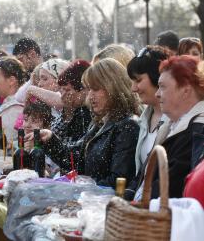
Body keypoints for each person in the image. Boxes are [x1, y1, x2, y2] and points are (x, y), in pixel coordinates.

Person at [133, 56, 204, 199]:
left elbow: (172, 189)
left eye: (163, 87)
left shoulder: (197, 131)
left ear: (185, 90)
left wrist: (135, 207)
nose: (157, 94)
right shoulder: (170, 125)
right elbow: (143, 176)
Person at [78, 58, 140, 188]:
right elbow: (77, 155)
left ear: (113, 87)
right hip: (93, 200)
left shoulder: (127, 126)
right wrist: (50, 139)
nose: (90, 96)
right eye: (89, 89)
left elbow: (118, 181)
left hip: (106, 203)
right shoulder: (99, 122)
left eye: (96, 89)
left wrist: (82, 188)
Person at [29, 60, 92, 174]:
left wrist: (50, 140)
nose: (62, 96)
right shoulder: (79, 113)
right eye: (61, 90)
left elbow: (75, 159)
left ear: (84, 89)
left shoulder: (87, 115)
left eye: (67, 90)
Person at [124, 46, 170, 200]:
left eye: (138, 80)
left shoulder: (176, 120)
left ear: (157, 76)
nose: (133, 88)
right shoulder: (144, 117)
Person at [12, 38, 43, 103]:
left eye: (20, 59)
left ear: (32, 54)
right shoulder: (22, 76)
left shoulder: (50, 72)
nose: (18, 64)